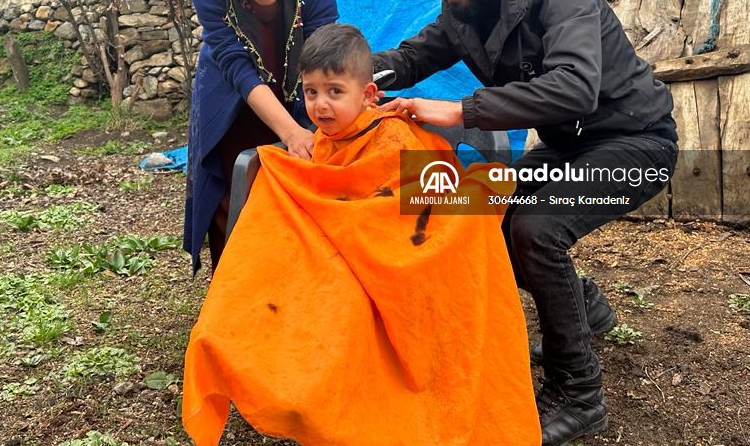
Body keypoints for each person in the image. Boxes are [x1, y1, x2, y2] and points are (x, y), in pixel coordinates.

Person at [373, 0, 678, 446]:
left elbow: (577, 87)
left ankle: (578, 394)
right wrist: (352, 76)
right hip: (567, 147)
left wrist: (464, 109)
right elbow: (412, 57)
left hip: (636, 142)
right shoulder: (463, 10)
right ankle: (586, 308)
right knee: (485, 217)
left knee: (536, 230)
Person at [182, 23, 540, 446]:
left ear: (368, 95)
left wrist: (352, 228)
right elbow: (322, 193)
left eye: (335, 91)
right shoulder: (321, 141)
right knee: (257, 301)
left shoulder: (393, 138)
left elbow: (419, 213)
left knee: (344, 312)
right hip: (335, 257)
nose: (321, 105)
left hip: (387, 267)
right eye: (311, 92)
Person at [184, 0, 338, 274]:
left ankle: (294, 281)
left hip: (301, 89)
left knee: (303, 184)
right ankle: (236, 289)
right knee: (234, 186)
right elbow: (239, 69)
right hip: (232, 100)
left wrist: (312, 126)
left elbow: (324, 59)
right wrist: (288, 132)